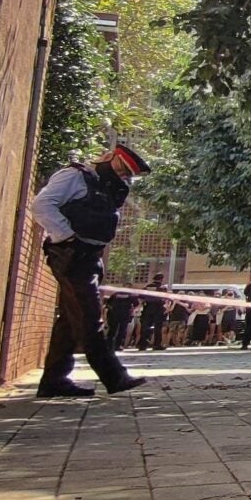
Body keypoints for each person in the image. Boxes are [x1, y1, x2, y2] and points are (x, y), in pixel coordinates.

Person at [25, 143, 151, 398]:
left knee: (71, 322)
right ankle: (114, 376)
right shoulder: (74, 176)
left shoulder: (106, 187)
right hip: (71, 255)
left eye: (128, 174)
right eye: (122, 168)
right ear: (108, 157)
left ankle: (54, 381)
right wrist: (67, 236)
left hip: (89, 255)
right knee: (89, 317)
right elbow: (42, 205)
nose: (123, 176)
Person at [137, 276, 170, 351]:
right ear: (161, 279)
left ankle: (142, 345)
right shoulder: (162, 288)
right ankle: (156, 345)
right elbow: (165, 298)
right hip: (158, 309)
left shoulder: (146, 287)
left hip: (147, 308)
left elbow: (140, 297)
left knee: (145, 327)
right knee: (158, 328)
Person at [104, 285, 138, 350]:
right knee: (122, 331)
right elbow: (136, 304)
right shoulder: (131, 295)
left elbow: (108, 304)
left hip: (113, 314)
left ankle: (109, 345)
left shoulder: (115, 294)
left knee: (112, 331)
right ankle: (117, 345)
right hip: (124, 315)